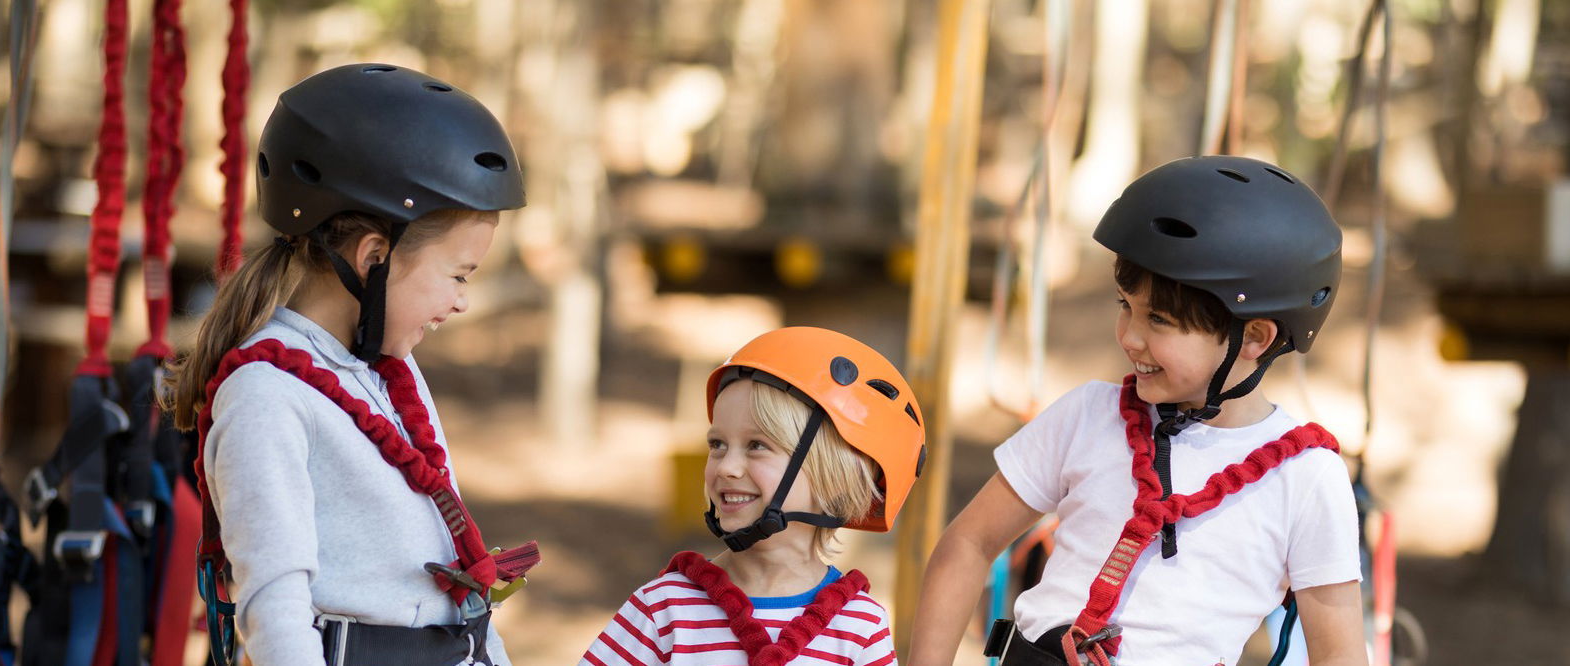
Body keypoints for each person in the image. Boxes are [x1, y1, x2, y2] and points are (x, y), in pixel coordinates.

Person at [909, 156, 1367, 666]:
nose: (1130, 336)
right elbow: (969, 544)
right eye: (1125, 305)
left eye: (1160, 320)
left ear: (1254, 337)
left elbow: (1338, 655)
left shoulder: (1305, 478)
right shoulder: (1086, 416)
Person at [165, 63, 536, 666]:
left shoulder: (387, 371)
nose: (462, 300)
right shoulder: (266, 397)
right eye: (458, 275)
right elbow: (275, 614)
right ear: (373, 258)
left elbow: (461, 581)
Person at [582, 327, 927, 666]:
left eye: (757, 446)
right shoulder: (664, 609)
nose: (726, 467)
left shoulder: (859, 627)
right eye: (717, 444)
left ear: (836, 477)